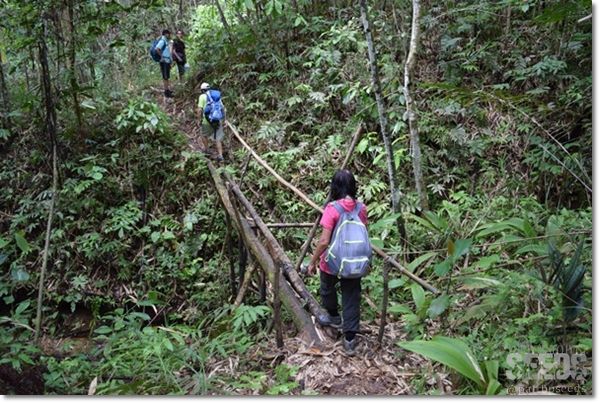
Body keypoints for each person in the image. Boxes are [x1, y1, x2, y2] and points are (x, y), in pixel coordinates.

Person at [307, 169, 368, 356]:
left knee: (327, 286)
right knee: (351, 296)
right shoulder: (361, 208)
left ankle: (333, 316)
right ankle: (349, 339)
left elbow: (324, 241)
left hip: (333, 260)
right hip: (354, 261)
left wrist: (312, 261)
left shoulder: (332, 209)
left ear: (334, 187)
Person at [197, 82, 225, 162]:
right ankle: (220, 155)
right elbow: (223, 109)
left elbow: (199, 110)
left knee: (203, 135)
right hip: (217, 120)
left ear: (202, 90)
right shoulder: (216, 96)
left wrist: (199, 120)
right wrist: (223, 119)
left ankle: (206, 149)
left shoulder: (202, 97)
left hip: (206, 121)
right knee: (218, 138)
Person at [155, 29, 173, 97]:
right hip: (164, 61)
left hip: (167, 61)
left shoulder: (165, 41)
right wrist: (162, 57)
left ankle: (167, 90)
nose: (169, 35)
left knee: (166, 77)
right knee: (165, 77)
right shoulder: (162, 41)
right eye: (168, 34)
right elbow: (157, 49)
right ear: (166, 34)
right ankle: (166, 92)